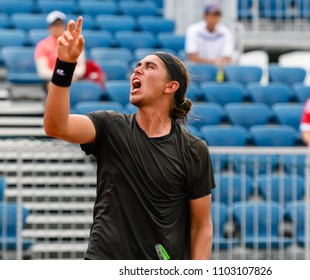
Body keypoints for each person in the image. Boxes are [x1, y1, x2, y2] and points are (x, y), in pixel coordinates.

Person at [43, 17, 215, 260]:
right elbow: (56, 126)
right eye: (138, 65)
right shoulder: (110, 125)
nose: (138, 69)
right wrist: (64, 65)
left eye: (149, 66)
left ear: (170, 86)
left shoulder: (194, 150)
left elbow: (201, 227)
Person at [34, 10, 87, 92]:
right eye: (55, 24)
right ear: (49, 27)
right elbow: (42, 71)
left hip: (74, 79)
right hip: (53, 79)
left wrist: (72, 75)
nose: (58, 27)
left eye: (60, 24)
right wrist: (62, 76)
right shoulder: (42, 45)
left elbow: (81, 67)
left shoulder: (73, 43)